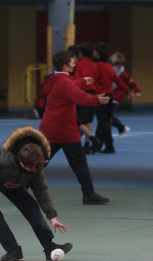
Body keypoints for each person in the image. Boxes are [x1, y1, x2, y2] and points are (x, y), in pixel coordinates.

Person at [0, 126, 72, 261]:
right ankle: (12, 249)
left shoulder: (36, 165)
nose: (32, 171)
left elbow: (41, 190)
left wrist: (52, 216)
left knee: (32, 207)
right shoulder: (0, 157)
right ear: (20, 161)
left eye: (34, 169)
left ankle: (49, 247)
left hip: (13, 184)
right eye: (28, 168)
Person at [39, 50, 111, 205]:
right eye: (73, 64)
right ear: (66, 67)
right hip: (65, 129)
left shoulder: (55, 79)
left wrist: (83, 81)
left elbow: (69, 86)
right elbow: (78, 96)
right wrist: (97, 99)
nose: (75, 66)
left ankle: (18, 185)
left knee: (40, 160)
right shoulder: (64, 82)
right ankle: (89, 194)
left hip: (49, 128)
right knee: (79, 162)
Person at [93, 43, 130, 154]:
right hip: (110, 95)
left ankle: (109, 145)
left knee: (103, 122)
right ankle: (98, 144)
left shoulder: (97, 66)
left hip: (101, 96)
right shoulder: (108, 66)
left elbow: (93, 80)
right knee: (105, 121)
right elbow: (118, 81)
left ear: (97, 53)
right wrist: (127, 91)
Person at [72, 43, 99, 154]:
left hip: (82, 93)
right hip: (92, 93)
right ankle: (87, 145)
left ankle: (92, 138)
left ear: (80, 53)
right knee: (88, 121)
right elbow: (96, 77)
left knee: (79, 121)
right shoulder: (94, 65)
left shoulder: (78, 65)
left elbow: (76, 80)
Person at [109, 52, 141, 139]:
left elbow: (133, 84)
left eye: (114, 65)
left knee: (109, 117)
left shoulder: (124, 74)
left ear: (119, 66)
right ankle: (121, 128)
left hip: (117, 97)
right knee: (108, 116)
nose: (113, 66)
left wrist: (137, 92)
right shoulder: (110, 70)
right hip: (109, 95)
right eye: (112, 64)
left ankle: (120, 129)